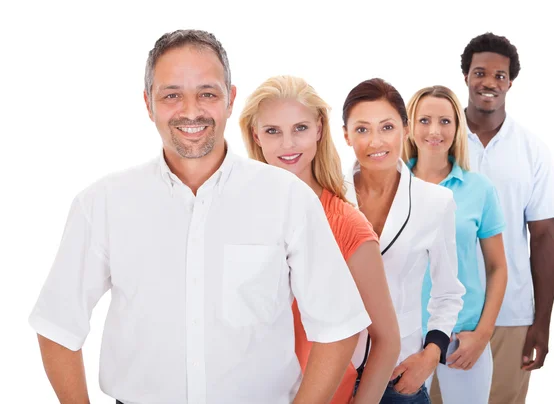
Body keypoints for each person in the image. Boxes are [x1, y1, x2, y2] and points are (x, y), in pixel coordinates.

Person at [28, 30, 372, 404]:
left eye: (207, 93)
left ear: (230, 100)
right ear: (149, 104)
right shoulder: (102, 204)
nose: (191, 111)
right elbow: (57, 326)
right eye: (172, 95)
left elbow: (338, 326)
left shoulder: (288, 199)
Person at [239, 75, 400, 404]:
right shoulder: (239, 217)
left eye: (300, 128)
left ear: (319, 130)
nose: (288, 145)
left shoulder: (347, 225)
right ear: (256, 135)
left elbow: (387, 341)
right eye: (273, 131)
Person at [342, 78, 465, 404]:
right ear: (346, 135)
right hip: (334, 373)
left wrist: (429, 356)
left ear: (405, 129)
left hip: (399, 378)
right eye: (362, 129)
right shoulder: (328, 197)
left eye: (387, 127)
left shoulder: (435, 203)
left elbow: (448, 292)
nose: (375, 141)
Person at [461, 32, 554, 404]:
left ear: (510, 83)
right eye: (480, 72)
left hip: (511, 314)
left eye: (499, 75)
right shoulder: (437, 140)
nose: (489, 82)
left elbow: (545, 237)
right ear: (467, 77)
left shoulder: (532, 150)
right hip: (440, 311)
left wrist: (542, 322)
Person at [403, 85, 508, 404]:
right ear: (409, 127)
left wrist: (483, 334)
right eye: (424, 120)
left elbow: (498, 266)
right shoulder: (392, 187)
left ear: (457, 128)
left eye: (445, 121)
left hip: (462, 336)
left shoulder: (479, 189)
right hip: (403, 335)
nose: (434, 130)